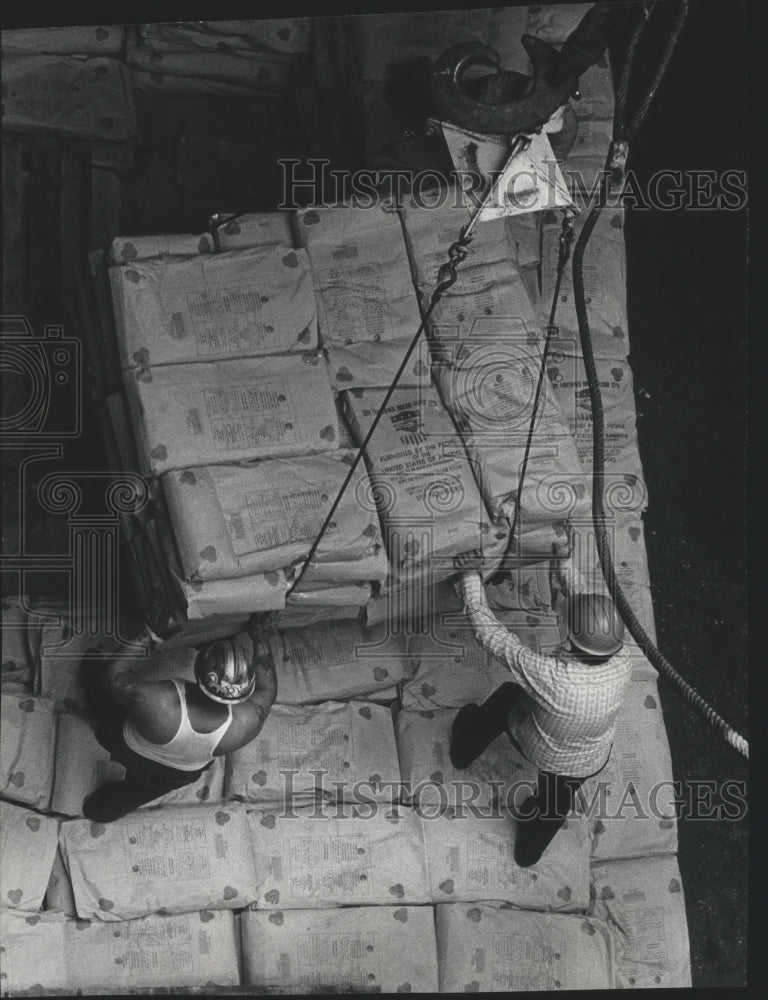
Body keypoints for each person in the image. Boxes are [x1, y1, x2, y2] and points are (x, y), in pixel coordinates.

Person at [450, 545, 633, 867]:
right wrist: (562, 559)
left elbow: (489, 633)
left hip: (542, 746)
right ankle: (528, 853)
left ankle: (464, 749)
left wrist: (470, 576)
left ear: (571, 640)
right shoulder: (623, 657)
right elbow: (584, 604)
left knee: (508, 694)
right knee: (555, 802)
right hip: (589, 757)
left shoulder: (551, 675)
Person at [79, 612, 279, 822]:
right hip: (177, 774)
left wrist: (151, 633)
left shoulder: (159, 702)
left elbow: (114, 674)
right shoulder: (246, 722)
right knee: (137, 792)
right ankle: (101, 810)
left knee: (102, 695)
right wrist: (261, 638)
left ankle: (92, 689)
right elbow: (268, 690)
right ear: (245, 690)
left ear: (198, 669)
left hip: (128, 746)